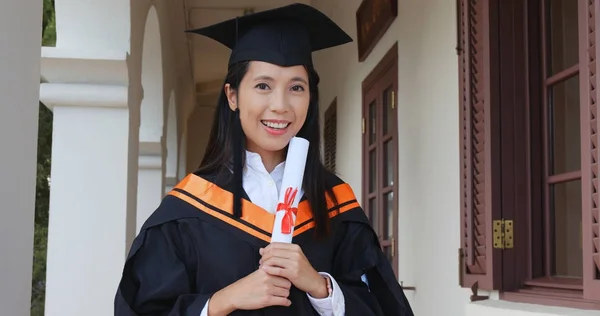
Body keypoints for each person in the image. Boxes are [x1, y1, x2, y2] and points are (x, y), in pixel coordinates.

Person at [114, 3, 414, 316]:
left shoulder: (336, 206)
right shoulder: (187, 210)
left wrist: (320, 287)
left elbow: (385, 306)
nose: (281, 105)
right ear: (232, 96)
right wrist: (222, 301)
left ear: (310, 97)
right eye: (263, 86)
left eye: (296, 87)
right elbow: (141, 309)